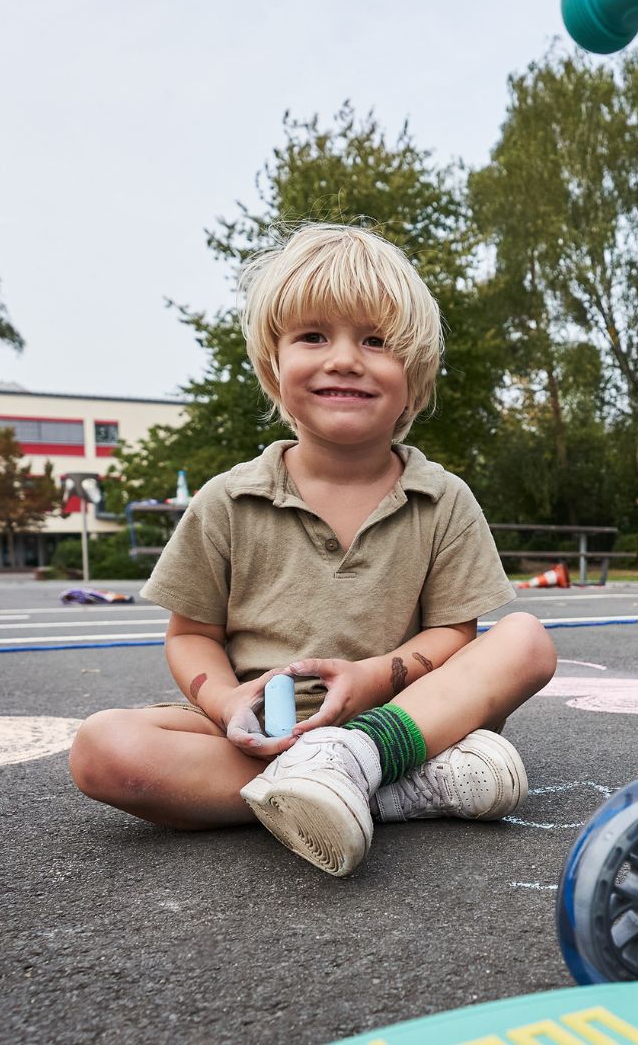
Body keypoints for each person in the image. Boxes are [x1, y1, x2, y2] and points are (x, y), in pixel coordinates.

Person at [69, 222, 558, 877]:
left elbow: (455, 635)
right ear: (274, 365)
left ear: (412, 378)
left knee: (526, 638)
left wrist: (372, 678)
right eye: (313, 336)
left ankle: (358, 768)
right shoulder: (228, 500)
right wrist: (224, 703)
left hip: (406, 726)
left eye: (376, 341)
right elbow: (190, 636)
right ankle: (388, 795)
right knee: (103, 750)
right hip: (264, 737)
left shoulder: (441, 499)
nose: (345, 358)